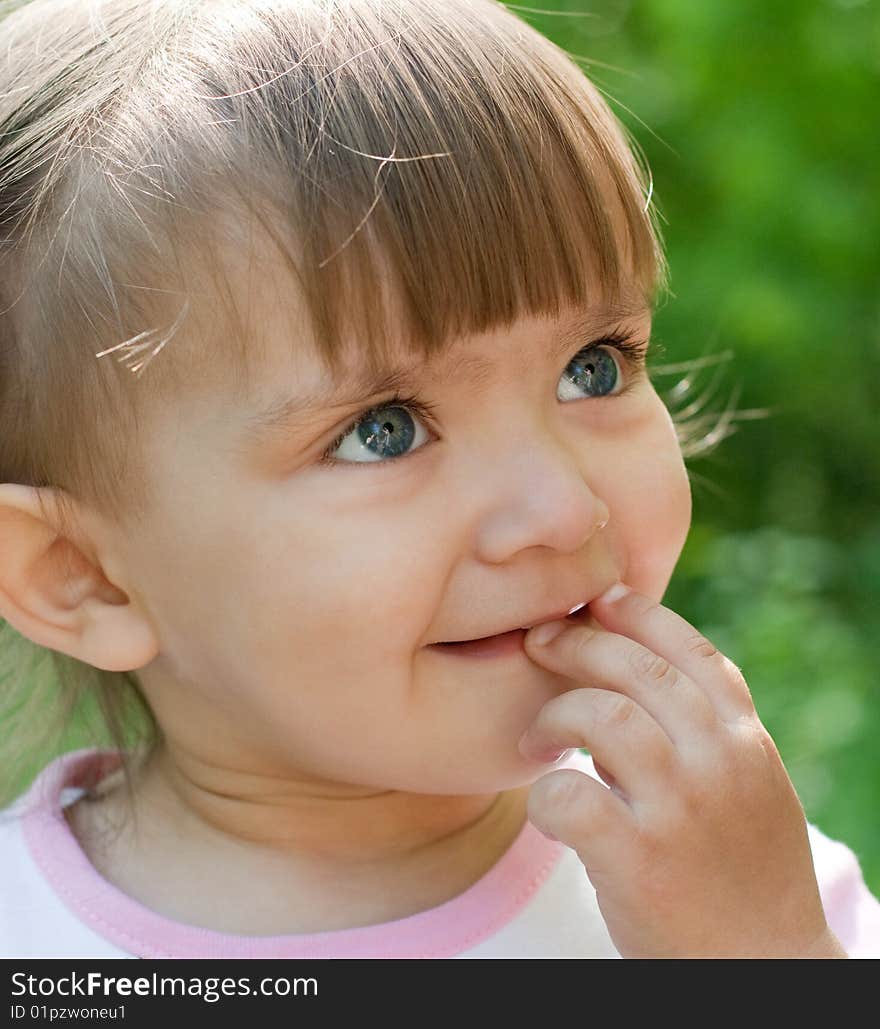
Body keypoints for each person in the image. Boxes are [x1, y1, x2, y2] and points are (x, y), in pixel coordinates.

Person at [0, 0, 878, 960]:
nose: (561, 510)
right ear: (82, 573)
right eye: (384, 431)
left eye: (594, 364)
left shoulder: (736, 887)